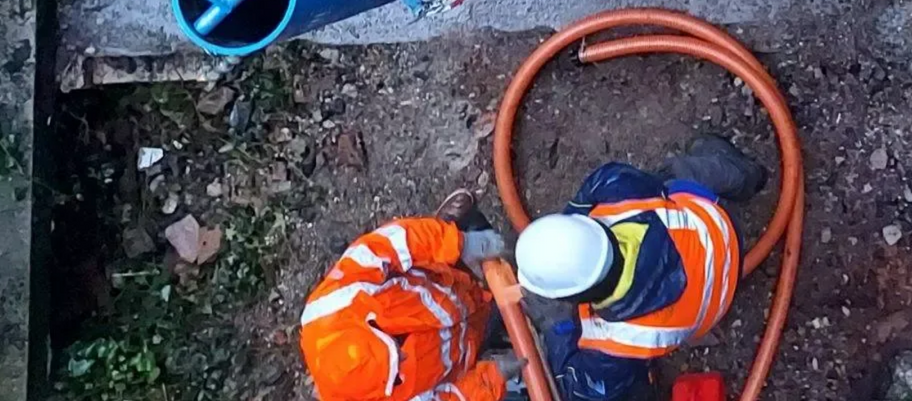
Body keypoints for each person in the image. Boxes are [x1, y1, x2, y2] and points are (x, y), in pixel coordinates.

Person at [514, 138, 767, 401]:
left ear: (572, 296)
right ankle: (748, 175)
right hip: (717, 228)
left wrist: (559, 327)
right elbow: (602, 181)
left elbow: (582, 389)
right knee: (674, 176)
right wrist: (569, 223)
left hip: (715, 305)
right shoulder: (619, 193)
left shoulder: (619, 344)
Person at [300, 200, 521, 401]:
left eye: (396, 346)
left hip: (450, 280)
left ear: (370, 326)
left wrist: (459, 244)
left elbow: (393, 243)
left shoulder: (331, 305)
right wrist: (493, 377)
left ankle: (449, 228)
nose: (405, 353)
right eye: (397, 374)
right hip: (469, 348)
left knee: (446, 243)